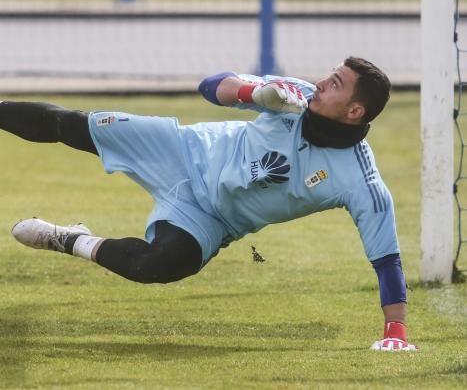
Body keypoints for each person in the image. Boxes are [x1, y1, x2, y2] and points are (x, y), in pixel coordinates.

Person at [1, 56, 417, 352]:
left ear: (355, 110)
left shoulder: (362, 181)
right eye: (330, 76)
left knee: (160, 265)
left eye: (335, 85)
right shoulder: (294, 95)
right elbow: (210, 85)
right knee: (71, 125)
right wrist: (254, 91)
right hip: (184, 150)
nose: (322, 84)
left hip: (212, 216)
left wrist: (395, 331)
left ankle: (71, 240)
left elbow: (387, 260)